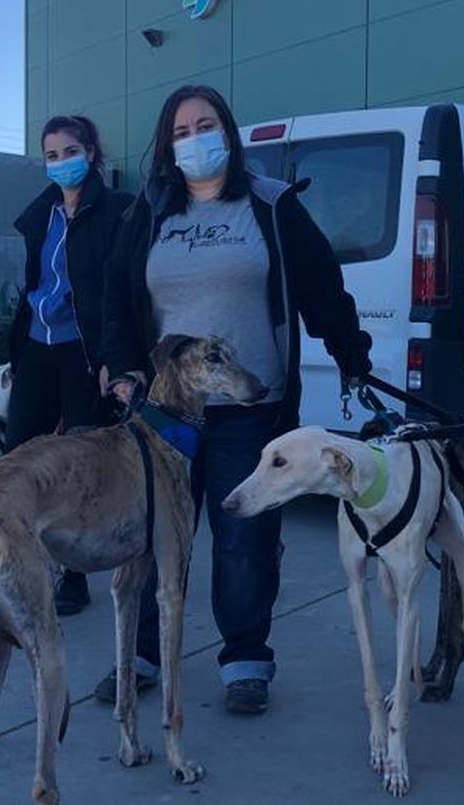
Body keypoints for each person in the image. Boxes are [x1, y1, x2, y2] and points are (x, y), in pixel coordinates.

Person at [99, 85, 372, 716]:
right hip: (164, 412)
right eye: (183, 130)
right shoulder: (146, 214)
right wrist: (120, 367)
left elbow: (322, 287)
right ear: (168, 145)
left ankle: (245, 658)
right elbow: (117, 299)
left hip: (251, 407)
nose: (196, 138)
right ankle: (139, 653)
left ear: (229, 130)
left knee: (242, 535)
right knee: (150, 533)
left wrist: (350, 354)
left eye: (207, 124)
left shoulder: (271, 206)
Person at [6, 114, 133, 616]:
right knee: (18, 457)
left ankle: (75, 578)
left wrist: (114, 359)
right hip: (39, 346)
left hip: (85, 354)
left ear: (93, 153)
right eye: (52, 155)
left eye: (70, 151)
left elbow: (121, 293)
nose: (61, 162)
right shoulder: (40, 215)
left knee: (79, 465)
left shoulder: (119, 212)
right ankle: (21, 563)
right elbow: (34, 287)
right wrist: (17, 355)